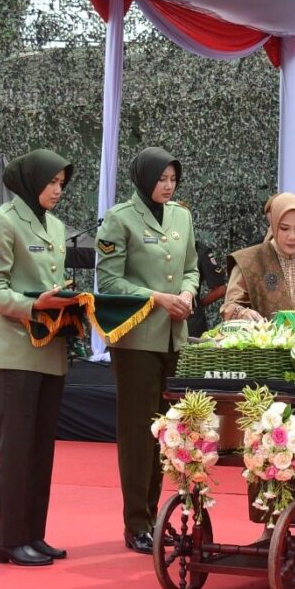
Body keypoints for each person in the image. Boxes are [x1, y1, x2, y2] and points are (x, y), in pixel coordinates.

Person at [0, 149, 80, 567]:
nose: (57, 190)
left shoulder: (54, 225)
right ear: (30, 180)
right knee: (16, 451)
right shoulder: (1, 222)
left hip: (50, 352)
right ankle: (9, 539)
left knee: (40, 452)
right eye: (51, 182)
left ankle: (33, 534)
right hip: (15, 353)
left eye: (60, 183)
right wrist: (37, 306)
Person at [96, 147, 199, 554]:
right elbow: (109, 280)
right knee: (139, 432)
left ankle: (156, 517)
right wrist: (157, 297)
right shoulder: (119, 218)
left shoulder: (182, 215)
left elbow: (191, 266)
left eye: (173, 179)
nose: (168, 186)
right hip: (137, 338)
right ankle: (135, 521)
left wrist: (189, 291)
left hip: (175, 336)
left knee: (166, 432)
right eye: (161, 179)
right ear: (144, 179)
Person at [221, 193, 295, 520]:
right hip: (267, 373)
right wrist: (244, 316)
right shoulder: (251, 261)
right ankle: (269, 525)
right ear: (273, 226)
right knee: (267, 446)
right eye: (284, 228)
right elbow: (230, 308)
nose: (291, 236)